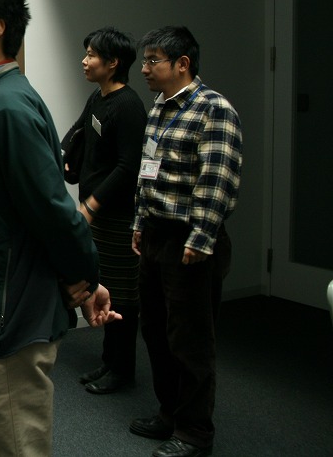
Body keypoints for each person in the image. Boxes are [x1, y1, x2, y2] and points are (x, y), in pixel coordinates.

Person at [0, 0, 120, 456]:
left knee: (11, 446)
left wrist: (86, 278)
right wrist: (83, 281)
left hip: (7, 321)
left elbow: (55, 214)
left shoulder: (7, 108)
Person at [129, 26, 242, 457]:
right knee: (156, 332)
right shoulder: (159, 107)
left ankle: (194, 433)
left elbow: (217, 180)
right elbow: (148, 171)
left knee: (190, 341)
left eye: (152, 60)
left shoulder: (214, 109)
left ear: (182, 64)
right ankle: (169, 414)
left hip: (191, 241)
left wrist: (201, 237)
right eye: (144, 60)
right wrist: (140, 221)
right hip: (156, 235)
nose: (144, 68)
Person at [63, 27, 147, 394]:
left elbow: (129, 166)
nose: (84, 61)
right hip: (97, 214)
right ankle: (109, 360)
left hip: (117, 216)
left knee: (123, 294)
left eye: (92, 55)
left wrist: (92, 206)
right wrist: (65, 157)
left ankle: (122, 369)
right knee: (104, 287)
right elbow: (77, 132)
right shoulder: (98, 97)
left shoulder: (128, 105)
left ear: (112, 63)